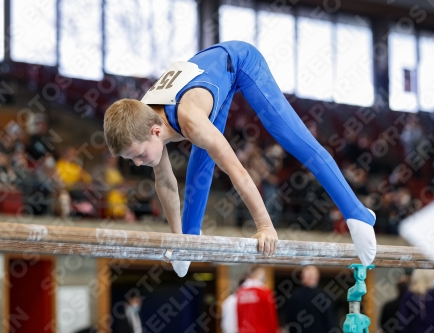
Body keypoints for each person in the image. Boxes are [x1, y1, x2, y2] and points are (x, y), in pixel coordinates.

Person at [103, 41, 376, 277]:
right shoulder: (143, 119)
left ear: (156, 130)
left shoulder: (192, 121)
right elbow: (166, 183)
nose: (138, 163)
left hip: (240, 62)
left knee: (291, 136)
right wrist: (178, 240)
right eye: (132, 160)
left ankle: (357, 213)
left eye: (138, 155)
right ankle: (189, 236)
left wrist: (265, 226)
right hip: (207, 76)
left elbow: (238, 172)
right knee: (201, 161)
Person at [284, 266, 337, 333]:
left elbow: (289, 321)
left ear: (302, 277)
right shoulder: (324, 296)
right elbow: (330, 322)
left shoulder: (294, 296)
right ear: (316, 278)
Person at [236, 265, 278, 333]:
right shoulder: (265, 292)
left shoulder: (240, 293)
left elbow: (238, 317)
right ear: (259, 273)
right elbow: (271, 316)